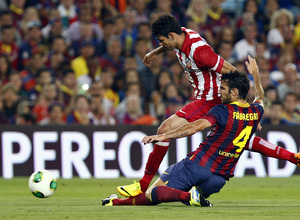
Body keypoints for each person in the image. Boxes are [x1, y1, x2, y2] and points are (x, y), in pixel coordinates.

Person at [116, 14, 300, 198]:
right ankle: (293, 157)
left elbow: (232, 71)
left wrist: (243, 102)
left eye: (161, 41)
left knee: (165, 128)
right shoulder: (182, 35)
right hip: (209, 97)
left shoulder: (200, 52)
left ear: (172, 35)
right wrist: (154, 52)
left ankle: (142, 185)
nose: (161, 43)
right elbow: (169, 45)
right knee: (242, 139)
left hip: (210, 99)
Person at [102, 56, 263, 206]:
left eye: (223, 88)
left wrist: (164, 135)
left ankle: (189, 197)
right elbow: (260, 97)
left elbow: (194, 127)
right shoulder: (256, 112)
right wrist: (256, 75)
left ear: (234, 92)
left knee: (153, 193)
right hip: (219, 177)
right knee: (171, 192)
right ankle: (115, 202)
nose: (219, 92)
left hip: (197, 166)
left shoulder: (221, 110)